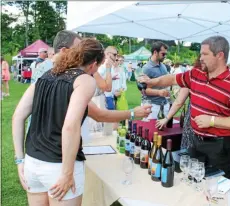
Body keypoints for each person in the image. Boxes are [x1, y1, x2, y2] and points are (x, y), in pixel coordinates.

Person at [12, 38, 151, 206]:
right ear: (93, 64)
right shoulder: (84, 80)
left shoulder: (46, 76)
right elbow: (70, 127)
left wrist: (20, 160)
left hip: (32, 162)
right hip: (58, 165)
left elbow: (18, 117)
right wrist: (67, 172)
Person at [139, 36, 230, 178]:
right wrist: (151, 81)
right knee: (193, 181)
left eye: (205, 54)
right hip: (196, 140)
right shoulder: (196, 74)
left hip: (220, 148)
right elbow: (172, 78)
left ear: (220, 55)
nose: (201, 58)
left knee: (216, 189)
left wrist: (212, 121)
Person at [142, 41, 170, 119]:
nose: (165, 56)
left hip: (164, 104)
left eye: (166, 54)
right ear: (155, 52)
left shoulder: (163, 66)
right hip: (152, 106)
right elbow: (143, 90)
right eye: (163, 54)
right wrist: (159, 92)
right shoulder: (146, 68)